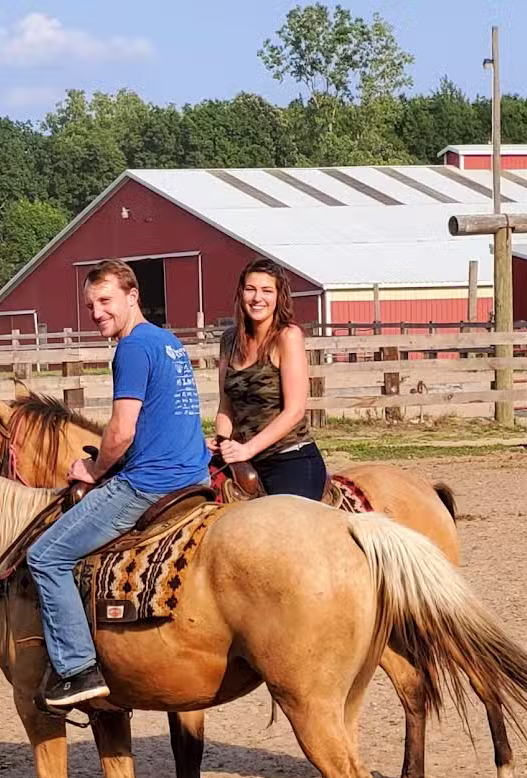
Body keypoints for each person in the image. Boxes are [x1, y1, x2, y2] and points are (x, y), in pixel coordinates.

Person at [26, 259, 210, 709]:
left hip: (149, 483)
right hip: (195, 476)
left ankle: (76, 668)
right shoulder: (168, 343)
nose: (97, 312)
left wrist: (94, 470)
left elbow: (122, 429)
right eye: (90, 305)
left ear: (132, 296)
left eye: (105, 300)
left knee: (44, 556)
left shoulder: (131, 348)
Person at [211, 258, 327, 500]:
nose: (257, 298)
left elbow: (294, 411)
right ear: (241, 292)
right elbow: (226, 405)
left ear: (278, 296)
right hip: (242, 458)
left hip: (288, 457)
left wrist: (246, 449)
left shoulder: (287, 337)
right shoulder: (229, 341)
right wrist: (223, 442)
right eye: (250, 289)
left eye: (266, 290)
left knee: (285, 532)